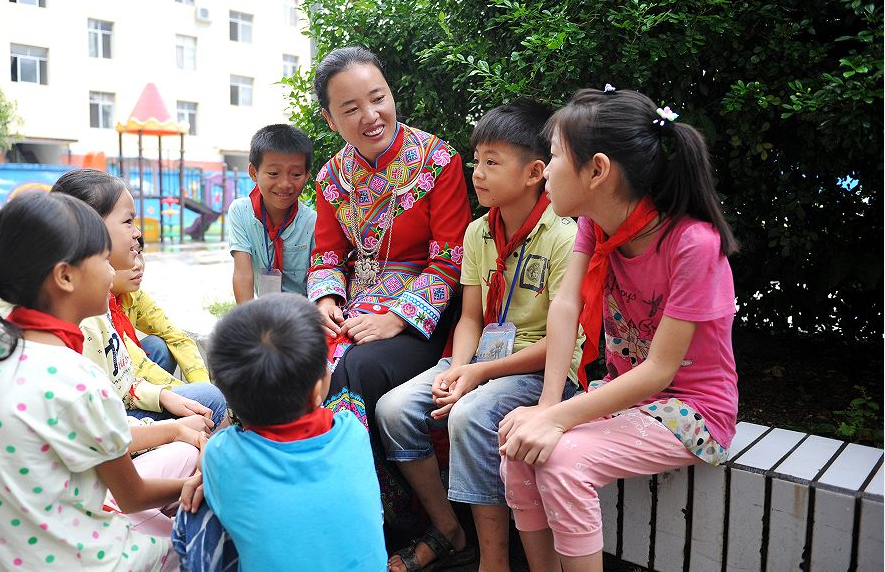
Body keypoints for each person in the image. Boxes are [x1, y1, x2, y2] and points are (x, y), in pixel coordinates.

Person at [498, 88, 739, 572]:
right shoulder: (596, 225)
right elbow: (565, 306)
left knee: (563, 459)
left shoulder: (693, 244)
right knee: (518, 448)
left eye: (555, 155)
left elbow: (659, 371)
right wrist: (547, 407)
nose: (546, 169)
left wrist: (559, 420)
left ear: (598, 170)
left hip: (695, 410)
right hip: (627, 398)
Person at [0, 191, 204, 571]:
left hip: (19, 554)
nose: (112, 272)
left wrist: (175, 431)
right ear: (65, 276)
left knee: (185, 455)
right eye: (101, 260)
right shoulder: (73, 376)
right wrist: (211, 487)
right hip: (97, 562)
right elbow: (131, 495)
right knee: (216, 524)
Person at [376, 99, 584, 572]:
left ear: (534, 172)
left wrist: (475, 374)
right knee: (394, 409)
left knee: (469, 415)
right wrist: (457, 369)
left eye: (492, 162)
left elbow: (561, 343)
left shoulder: (563, 237)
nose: (478, 173)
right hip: (481, 361)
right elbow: (470, 318)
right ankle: (450, 529)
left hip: (538, 370)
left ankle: (494, 559)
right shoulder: (477, 234)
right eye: (477, 161)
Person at [307, 46, 471, 523]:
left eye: (377, 98)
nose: (370, 116)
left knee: (358, 368)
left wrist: (396, 318)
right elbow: (327, 255)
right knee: (288, 356)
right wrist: (327, 298)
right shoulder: (332, 176)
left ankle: (381, 518)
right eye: (351, 108)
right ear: (331, 118)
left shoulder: (438, 162)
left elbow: (451, 260)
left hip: (424, 320)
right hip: (354, 311)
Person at [172, 293, 387, 572]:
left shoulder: (223, 453)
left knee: (195, 513)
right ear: (318, 388)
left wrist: (207, 470)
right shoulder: (352, 431)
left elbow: (211, 462)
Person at [51, 169, 226, 427]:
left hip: (120, 407)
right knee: (209, 401)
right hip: (113, 429)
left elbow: (129, 375)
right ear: (90, 227)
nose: (136, 233)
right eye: (128, 221)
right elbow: (98, 430)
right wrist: (174, 428)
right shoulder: (86, 316)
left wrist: (170, 396)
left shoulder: (101, 303)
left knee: (162, 352)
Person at [228, 124, 316, 302]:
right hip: (263, 313)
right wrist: (250, 324)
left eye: (296, 174)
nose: (285, 184)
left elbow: (319, 279)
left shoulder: (312, 221)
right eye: (274, 173)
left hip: (304, 314)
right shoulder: (241, 212)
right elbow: (242, 275)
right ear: (254, 172)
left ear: (307, 175)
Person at [117, 236, 211, 383]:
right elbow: (132, 360)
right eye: (129, 254)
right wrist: (185, 395)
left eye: (139, 252)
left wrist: (202, 386)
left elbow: (177, 337)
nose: (138, 265)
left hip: (128, 378)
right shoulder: (97, 308)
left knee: (159, 345)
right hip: (106, 389)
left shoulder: (134, 295)